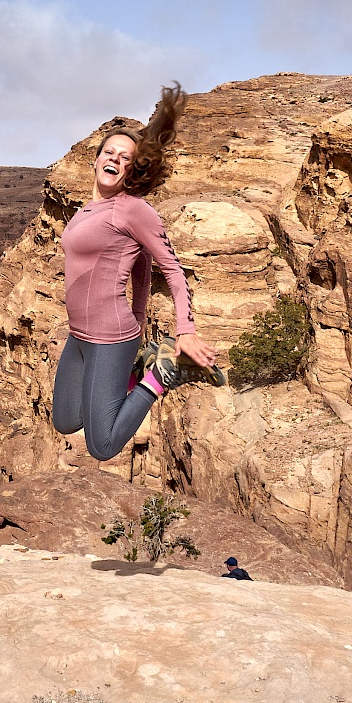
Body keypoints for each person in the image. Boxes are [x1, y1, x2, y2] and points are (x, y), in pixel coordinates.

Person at [52, 83, 224, 462]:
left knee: (103, 446)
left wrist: (185, 330)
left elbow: (171, 268)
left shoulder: (133, 209)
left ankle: (163, 374)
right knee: (65, 421)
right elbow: (140, 265)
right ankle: (139, 367)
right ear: (95, 160)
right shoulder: (87, 209)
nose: (116, 159)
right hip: (78, 335)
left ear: (132, 169)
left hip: (110, 337)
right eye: (110, 152)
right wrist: (142, 318)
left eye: (126, 157)